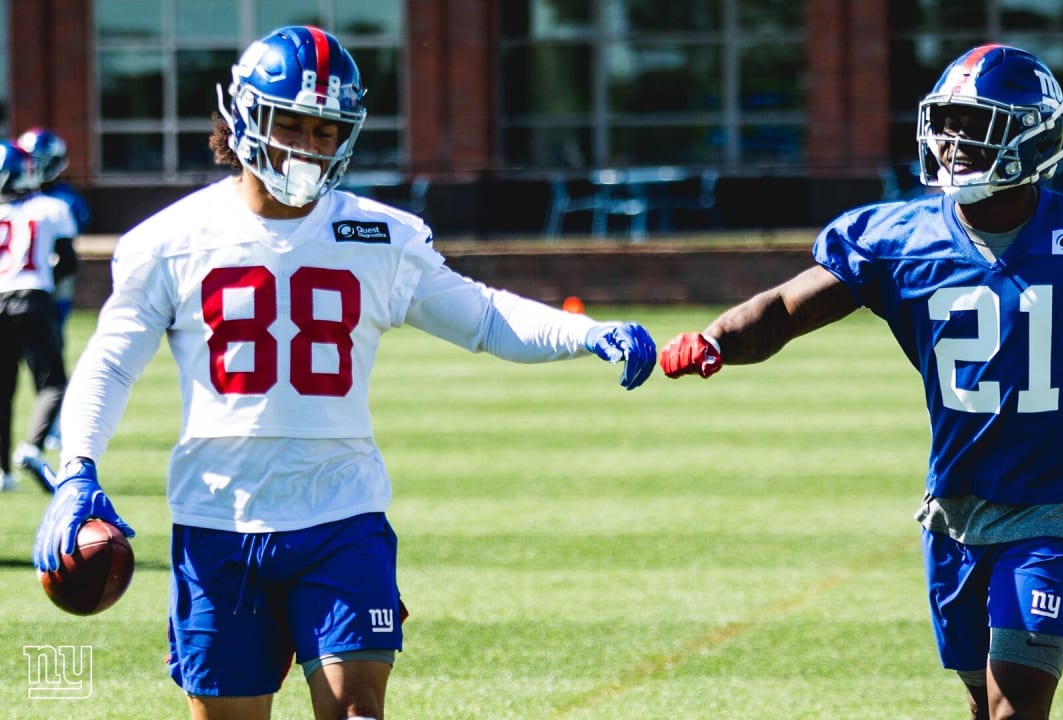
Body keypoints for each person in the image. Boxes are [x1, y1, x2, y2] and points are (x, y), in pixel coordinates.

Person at [32, 25, 655, 720]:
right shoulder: (170, 240)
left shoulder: (380, 235)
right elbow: (110, 363)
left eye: (325, 131)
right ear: (241, 118)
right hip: (218, 519)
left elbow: (481, 316)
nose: (307, 146)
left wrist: (586, 334)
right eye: (290, 124)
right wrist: (78, 470)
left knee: (359, 710)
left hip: (341, 513)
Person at [659, 44, 1063, 719]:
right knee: (983, 704)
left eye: (977, 123)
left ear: (1033, 134)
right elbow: (782, 309)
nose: (954, 142)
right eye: (947, 121)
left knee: (1015, 706)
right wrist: (716, 340)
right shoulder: (897, 238)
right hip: (955, 506)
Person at [1, 141, 77, 493]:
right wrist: (44, 285)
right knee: (53, 383)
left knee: (3, 390)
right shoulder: (52, 207)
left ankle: (2, 473)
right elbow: (68, 262)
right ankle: (31, 447)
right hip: (32, 297)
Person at [17, 127, 91, 452]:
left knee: (50, 360)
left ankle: (53, 426)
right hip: (28, 285)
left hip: (50, 286)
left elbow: (68, 248)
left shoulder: (63, 199)